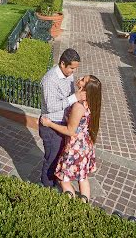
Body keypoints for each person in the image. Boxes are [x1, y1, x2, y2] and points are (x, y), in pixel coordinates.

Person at [41, 75, 101, 199]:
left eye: (83, 80)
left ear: (86, 89)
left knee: (64, 179)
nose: (80, 77)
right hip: (85, 145)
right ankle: (84, 207)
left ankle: (72, 206)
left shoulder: (79, 106)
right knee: (82, 177)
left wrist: (49, 123)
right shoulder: (92, 102)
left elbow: (70, 131)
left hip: (75, 147)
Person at [39, 48, 86, 188]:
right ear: (62, 64)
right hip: (51, 125)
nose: (73, 72)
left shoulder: (68, 75)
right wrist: (73, 98)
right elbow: (51, 107)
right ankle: (46, 186)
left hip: (63, 123)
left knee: (58, 156)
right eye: (71, 68)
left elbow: (69, 96)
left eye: (75, 68)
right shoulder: (49, 80)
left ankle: (53, 182)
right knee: (51, 158)